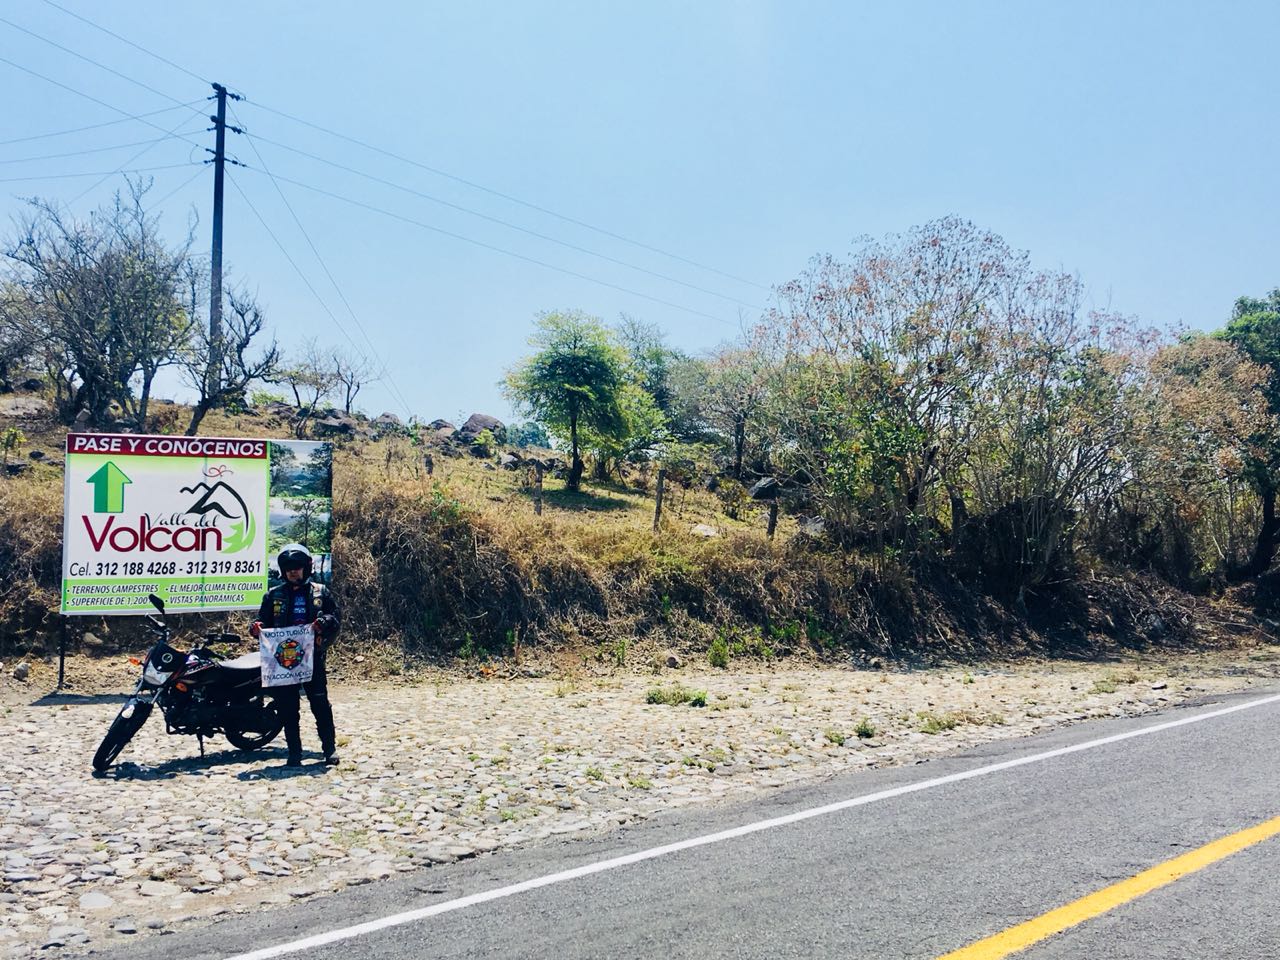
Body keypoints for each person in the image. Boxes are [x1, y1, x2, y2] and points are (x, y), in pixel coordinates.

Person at [250, 543, 341, 767]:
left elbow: (336, 620)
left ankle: (329, 749)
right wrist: (255, 628)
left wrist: (325, 623)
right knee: (288, 708)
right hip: (283, 664)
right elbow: (262, 625)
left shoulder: (321, 592)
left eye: (298, 566)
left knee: (320, 704)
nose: (293, 571)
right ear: (283, 570)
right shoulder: (273, 595)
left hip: (313, 660)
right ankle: (294, 753)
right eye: (289, 567)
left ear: (306, 568)